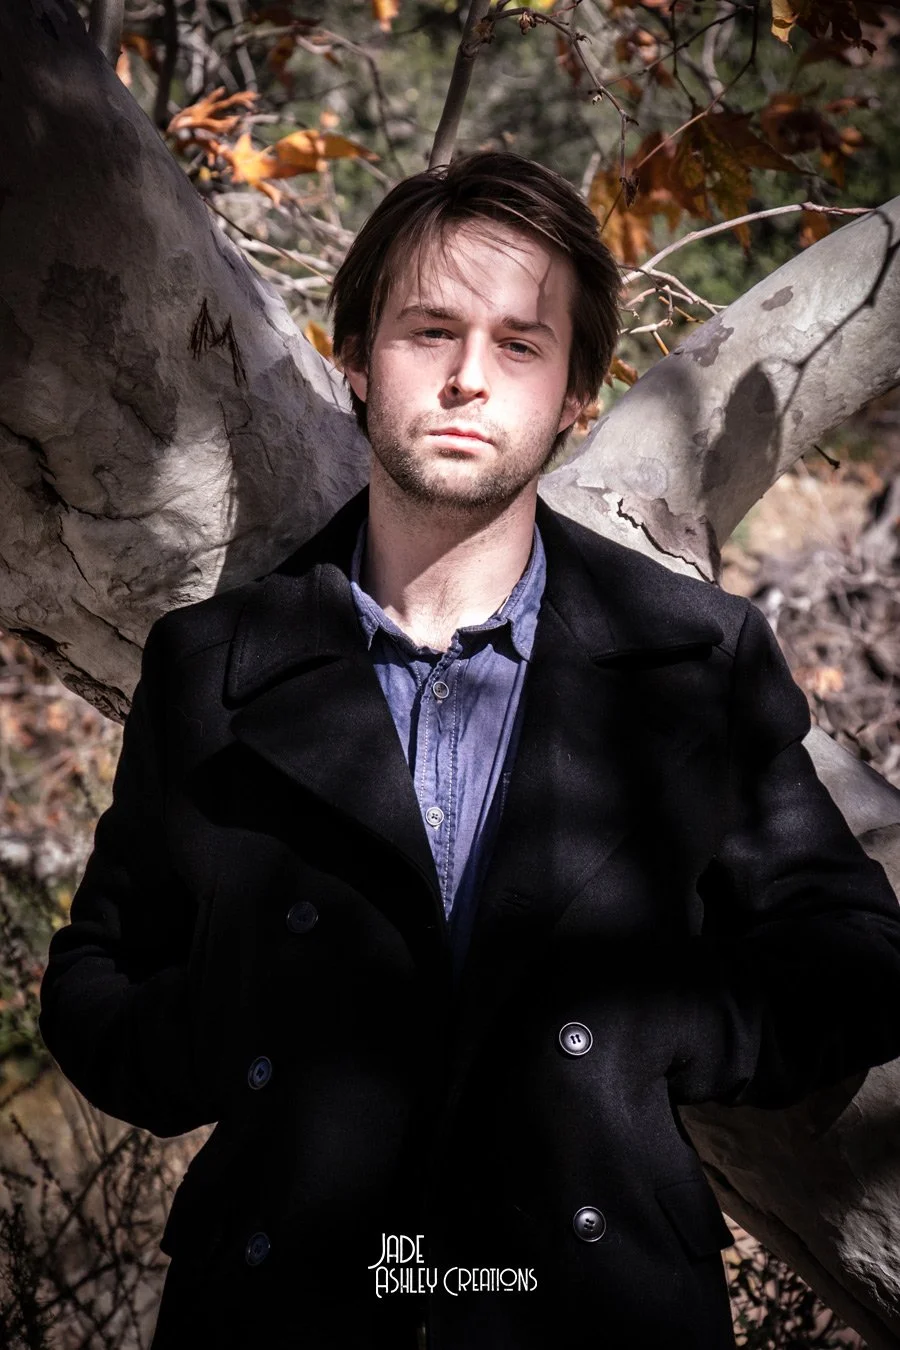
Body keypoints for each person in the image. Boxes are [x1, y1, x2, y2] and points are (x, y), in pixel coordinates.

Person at [38, 151, 900, 1350]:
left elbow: (854, 953)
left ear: (578, 394)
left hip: (600, 1313)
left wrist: (653, 1029)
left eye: (518, 344)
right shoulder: (213, 667)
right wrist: (243, 1030)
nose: (465, 380)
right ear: (354, 360)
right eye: (427, 331)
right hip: (284, 1307)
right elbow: (91, 985)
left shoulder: (690, 662)